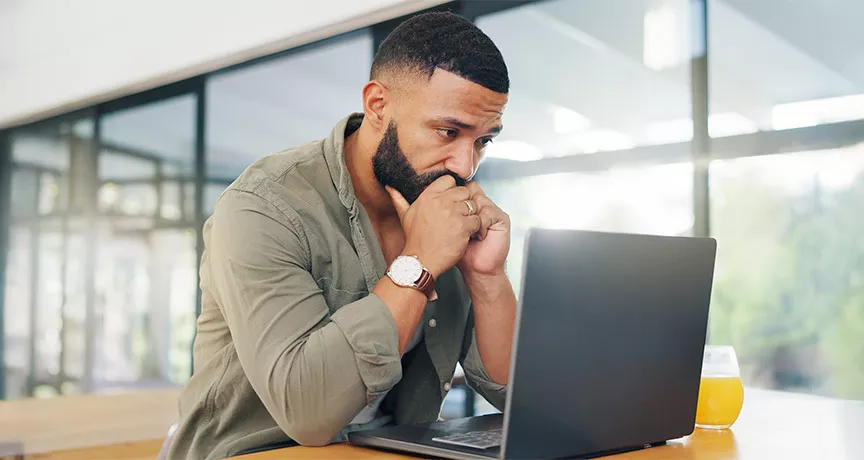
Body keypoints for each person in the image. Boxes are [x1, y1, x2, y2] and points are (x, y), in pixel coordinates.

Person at [165, 11, 517, 460]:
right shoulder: (265, 206)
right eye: (448, 131)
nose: (465, 166)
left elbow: (516, 396)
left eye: (483, 141)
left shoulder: (447, 210)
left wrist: (488, 277)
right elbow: (309, 413)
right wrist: (420, 262)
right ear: (377, 106)